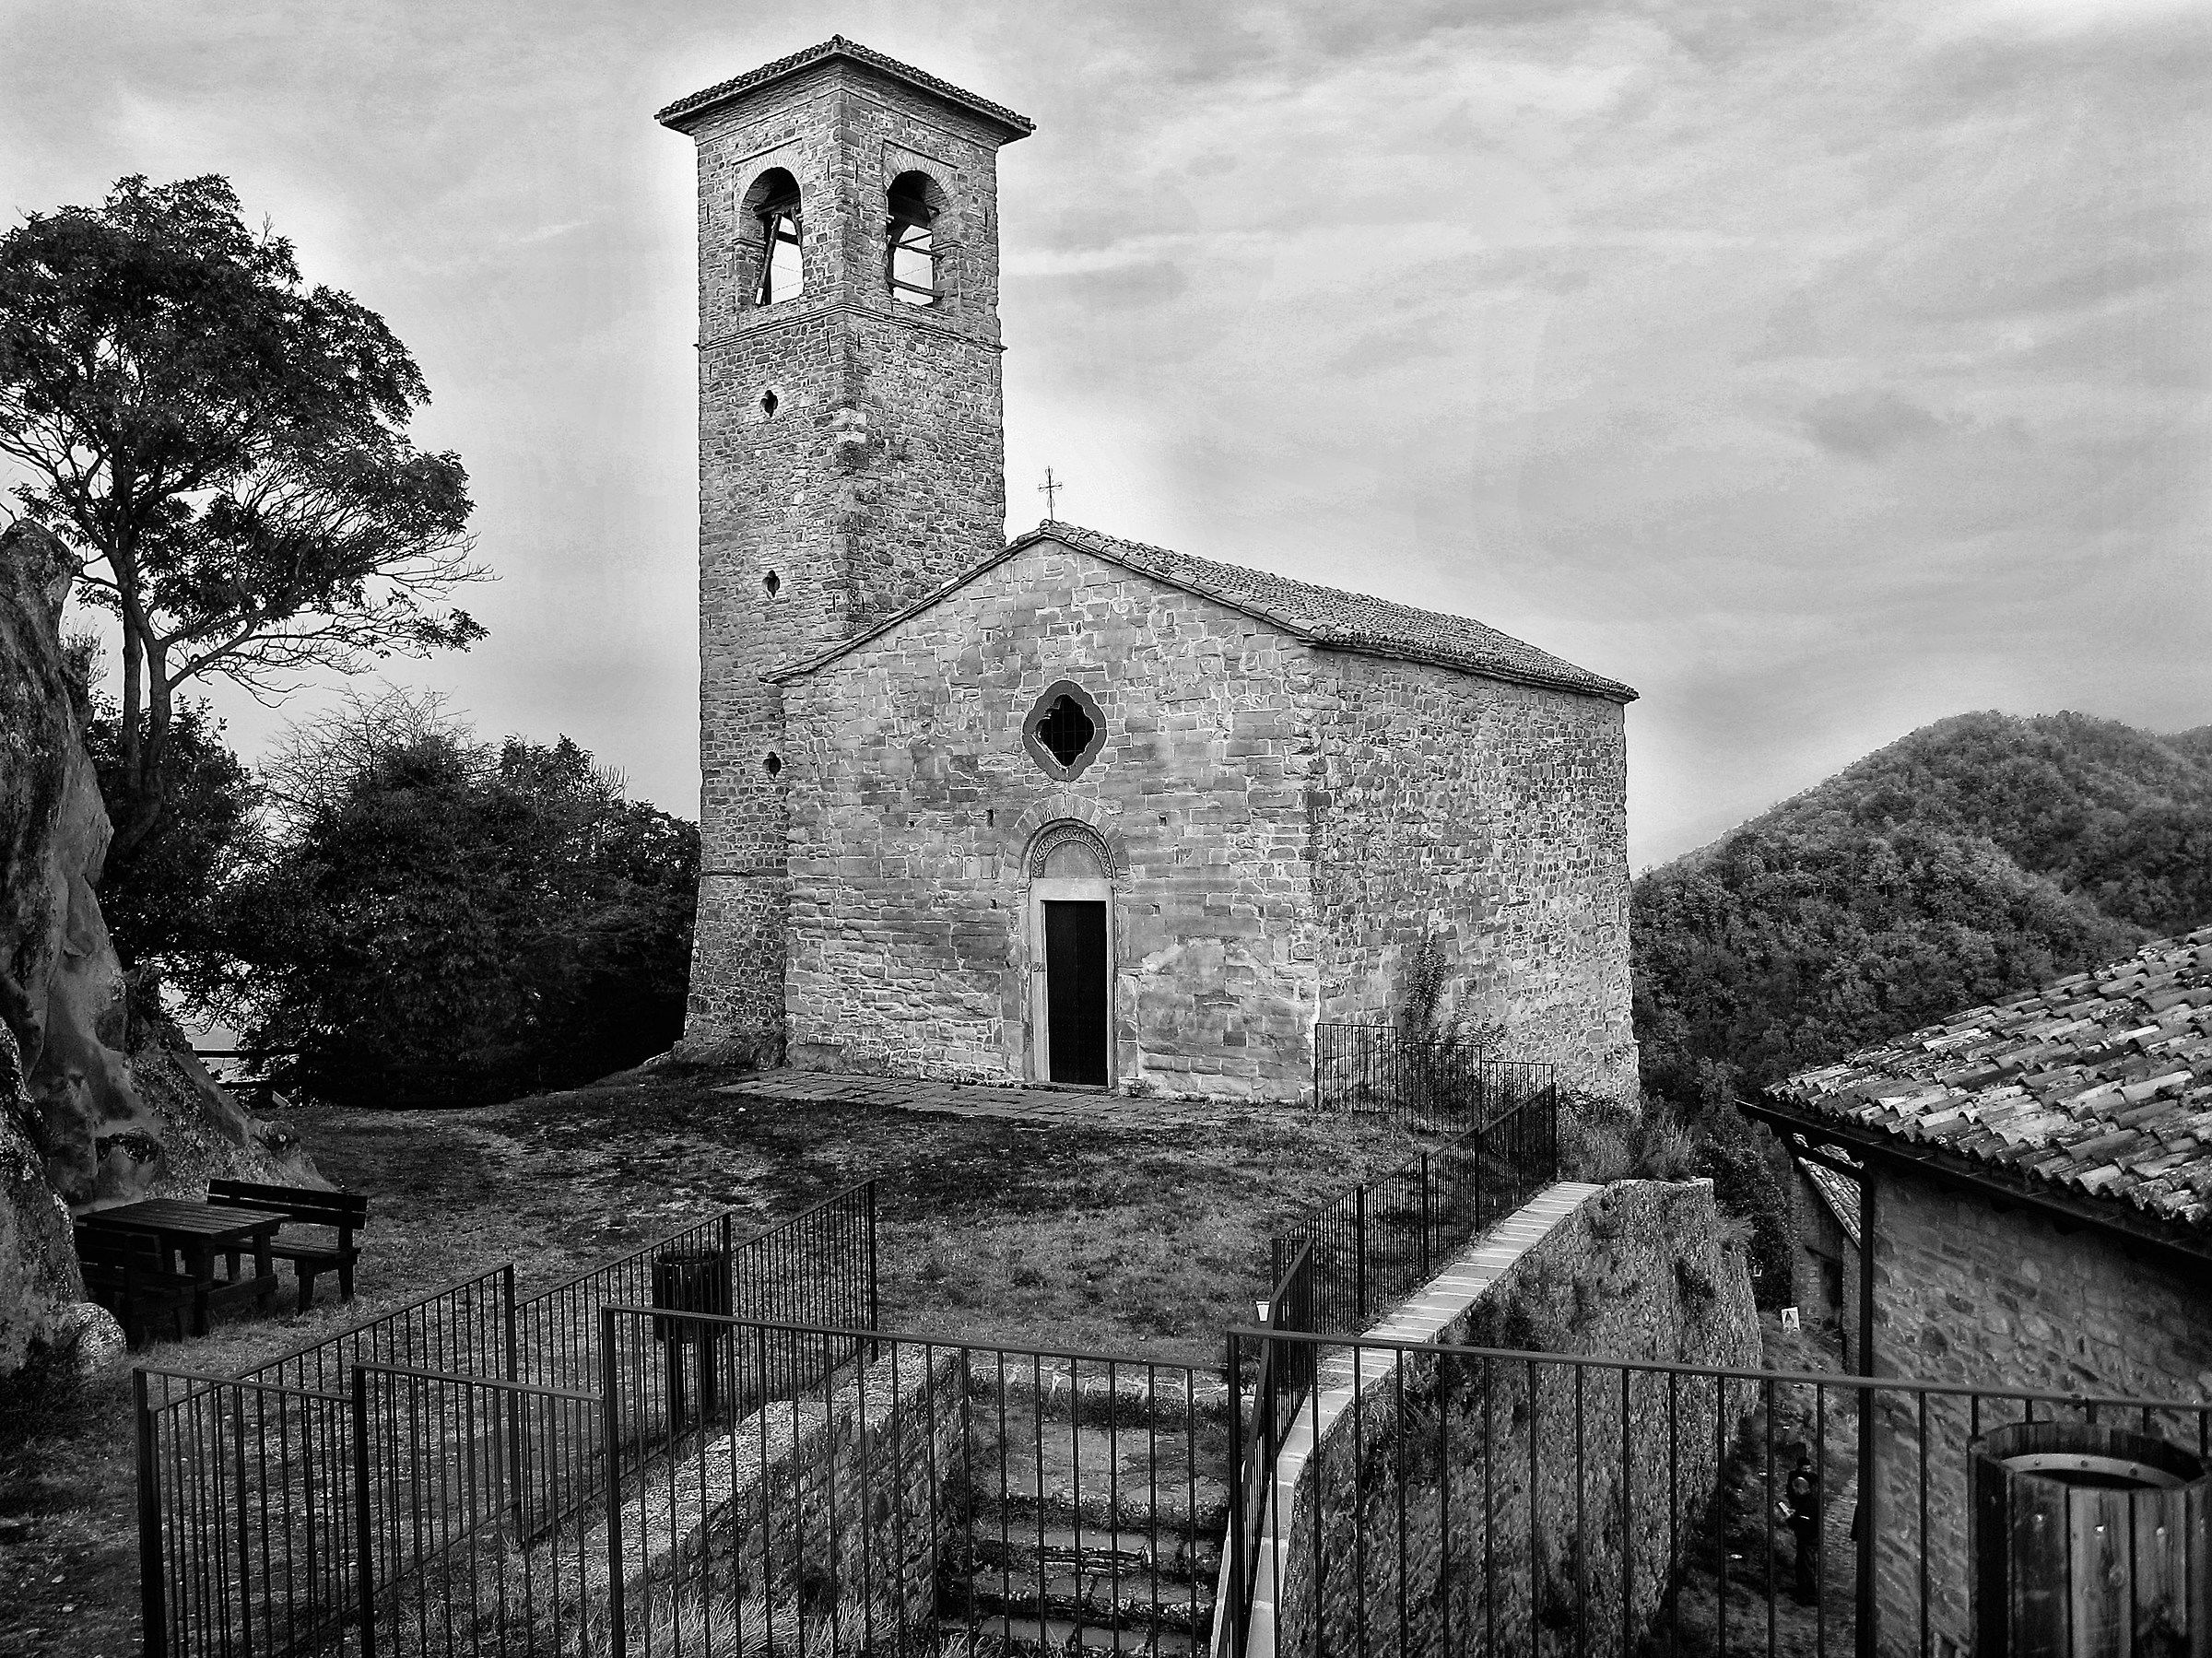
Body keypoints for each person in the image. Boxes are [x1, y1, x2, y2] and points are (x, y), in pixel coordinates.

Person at [1777, 1446, 1822, 1605]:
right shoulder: (1805, 1498)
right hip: (1807, 1537)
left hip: (1809, 1538)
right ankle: (1802, 1590)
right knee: (1802, 1564)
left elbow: (1803, 1523)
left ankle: (1809, 1596)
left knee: (1807, 1566)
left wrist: (1790, 1518)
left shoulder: (1810, 1502)